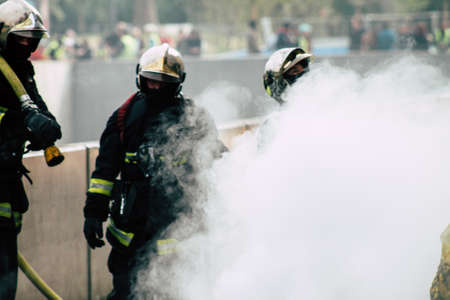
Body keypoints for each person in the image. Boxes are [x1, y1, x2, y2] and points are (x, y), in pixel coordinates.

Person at [83, 43, 226, 299]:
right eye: (151, 81)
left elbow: (219, 163)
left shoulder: (194, 118)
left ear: (178, 83)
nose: (156, 87)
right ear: (140, 78)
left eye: (164, 82)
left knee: (174, 290)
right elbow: (104, 172)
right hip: (130, 236)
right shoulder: (123, 119)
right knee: (127, 292)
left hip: (178, 229)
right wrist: (93, 213)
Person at [0, 0, 62, 299]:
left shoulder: (21, 69)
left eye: (31, 39)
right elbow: (16, 116)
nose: (26, 44)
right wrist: (19, 120)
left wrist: (45, 127)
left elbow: (38, 109)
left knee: (5, 273)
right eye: (20, 38)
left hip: (6, 182)